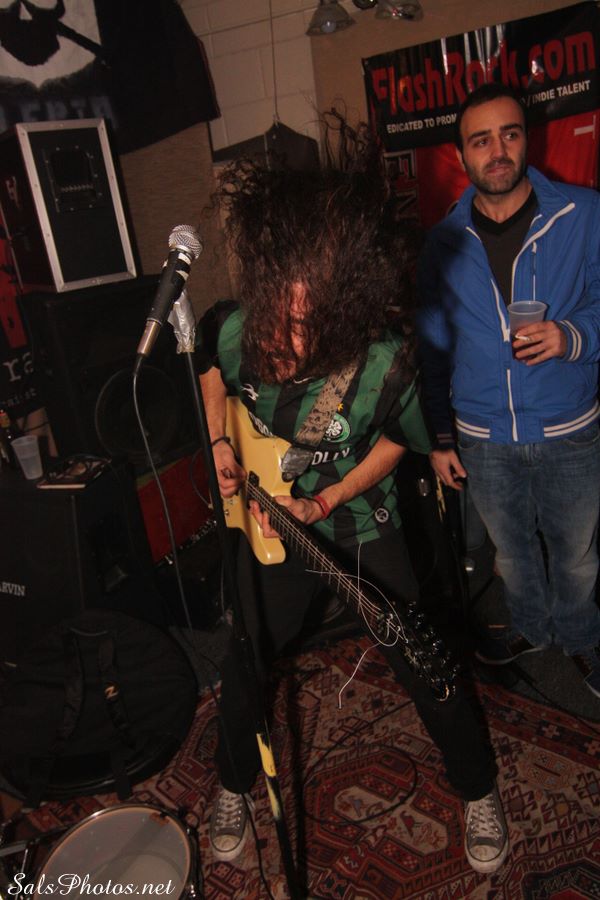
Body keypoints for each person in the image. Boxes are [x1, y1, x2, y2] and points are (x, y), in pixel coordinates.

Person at [198, 136, 509, 876]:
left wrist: (331, 496)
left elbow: (400, 443)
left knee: (425, 663)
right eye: (278, 310)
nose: (285, 333)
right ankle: (233, 786)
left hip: (362, 522)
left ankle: (478, 788)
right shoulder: (241, 329)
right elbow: (210, 361)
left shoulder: (383, 363)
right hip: (274, 526)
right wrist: (218, 440)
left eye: (306, 322)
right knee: (245, 660)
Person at [417, 83, 600, 698]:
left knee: (576, 554)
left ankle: (579, 634)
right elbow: (433, 348)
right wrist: (440, 435)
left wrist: (571, 336)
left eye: (510, 134)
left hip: (567, 427)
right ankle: (530, 626)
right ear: (462, 155)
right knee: (512, 553)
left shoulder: (583, 215)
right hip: (483, 437)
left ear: (527, 140)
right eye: (481, 140)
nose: (497, 151)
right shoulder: (442, 242)